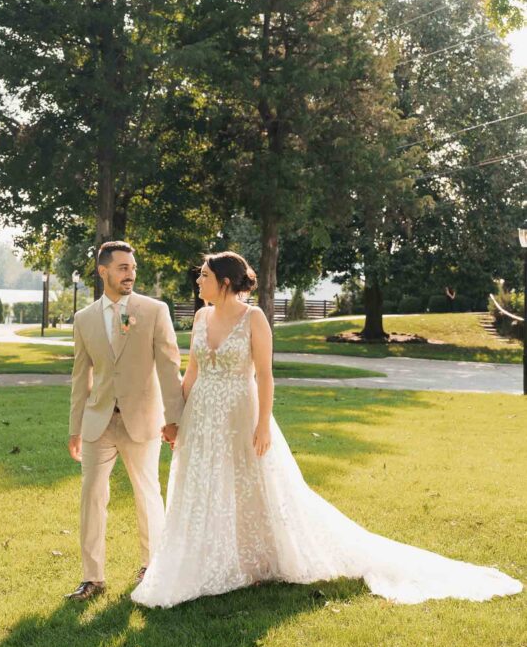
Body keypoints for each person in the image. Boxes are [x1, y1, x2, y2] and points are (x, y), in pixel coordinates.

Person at [132, 250, 523, 609]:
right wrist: (175, 419)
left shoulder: (254, 319)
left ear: (226, 282)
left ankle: (253, 560)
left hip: (241, 412)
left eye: (203, 275)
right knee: (203, 483)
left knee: (250, 483)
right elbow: (192, 372)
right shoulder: (201, 318)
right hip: (201, 415)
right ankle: (206, 556)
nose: (198, 281)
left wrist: (263, 424)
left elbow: (266, 377)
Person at [66, 241, 184, 601]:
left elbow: (168, 366)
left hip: (143, 419)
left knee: (147, 494)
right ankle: (93, 578)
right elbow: (80, 377)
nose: (130, 273)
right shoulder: (84, 319)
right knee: (91, 496)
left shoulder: (154, 310)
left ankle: (151, 569)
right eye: (122, 268)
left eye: (132, 267)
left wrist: (174, 418)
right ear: (103, 271)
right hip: (98, 422)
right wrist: (74, 428)